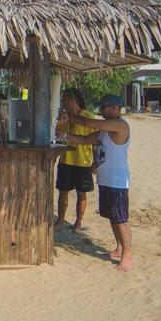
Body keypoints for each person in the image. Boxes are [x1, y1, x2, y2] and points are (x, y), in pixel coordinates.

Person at [58, 94, 132, 272]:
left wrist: (73, 116)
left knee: (120, 219)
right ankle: (119, 248)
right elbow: (85, 140)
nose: (101, 111)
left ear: (115, 108)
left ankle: (127, 255)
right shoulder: (106, 130)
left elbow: (91, 123)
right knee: (113, 218)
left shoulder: (120, 125)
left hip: (117, 181)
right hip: (106, 180)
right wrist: (65, 135)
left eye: (104, 108)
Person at [54, 88, 99, 233]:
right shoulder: (64, 117)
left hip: (83, 162)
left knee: (82, 194)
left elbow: (95, 142)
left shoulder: (88, 117)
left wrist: (94, 163)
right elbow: (58, 136)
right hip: (66, 160)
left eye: (65, 99)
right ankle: (60, 220)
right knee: (63, 192)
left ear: (73, 100)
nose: (64, 102)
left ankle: (78, 223)